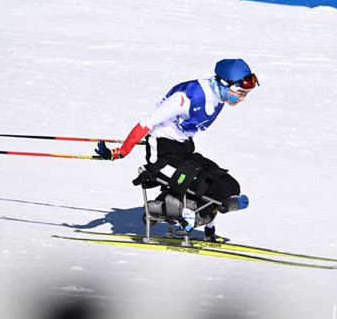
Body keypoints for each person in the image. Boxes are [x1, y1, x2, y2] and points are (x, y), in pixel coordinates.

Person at [95, 58, 259, 241]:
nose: (242, 99)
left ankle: (180, 212)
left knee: (230, 186)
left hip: (185, 151)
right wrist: (120, 152)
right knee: (204, 184)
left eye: (246, 94)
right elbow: (146, 123)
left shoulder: (219, 97)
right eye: (240, 93)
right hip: (162, 154)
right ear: (224, 83)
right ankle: (178, 214)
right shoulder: (188, 97)